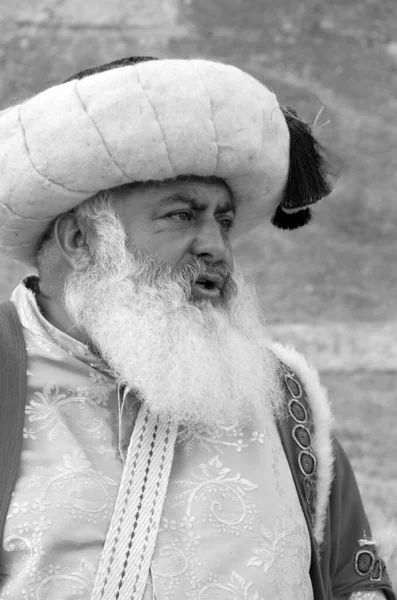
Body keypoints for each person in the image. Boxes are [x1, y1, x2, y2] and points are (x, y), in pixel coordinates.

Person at [0, 56, 394, 600]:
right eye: (181, 215)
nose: (216, 247)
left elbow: (353, 579)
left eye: (223, 221)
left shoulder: (283, 393)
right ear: (79, 240)